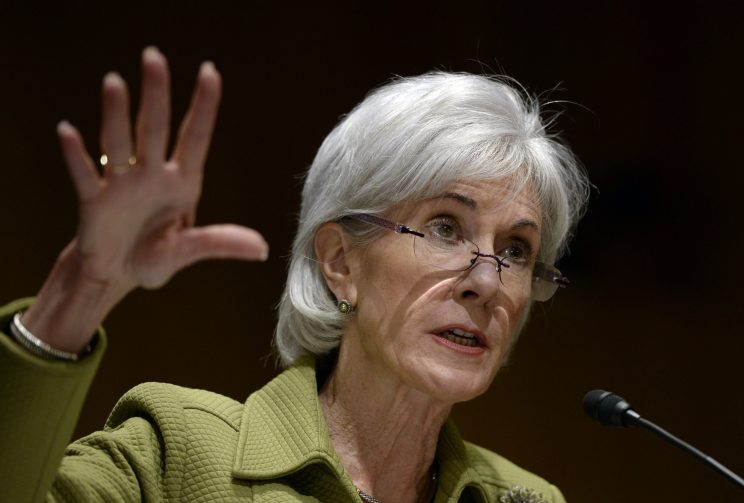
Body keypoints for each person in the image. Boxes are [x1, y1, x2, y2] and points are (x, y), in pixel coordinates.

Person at [0, 47, 589, 503]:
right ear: (340, 263)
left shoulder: (525, 497)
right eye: (444, 228)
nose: (485, 282)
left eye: (515, 249)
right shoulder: (178, 454)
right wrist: (79, 291)